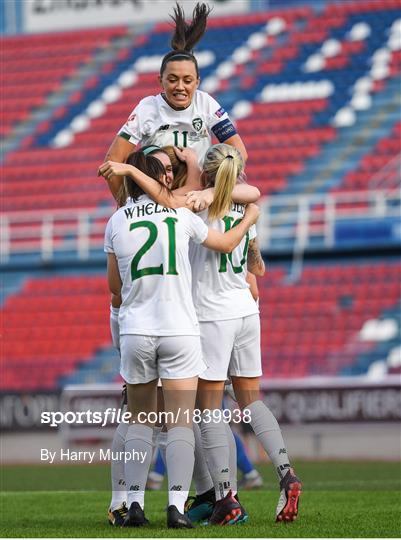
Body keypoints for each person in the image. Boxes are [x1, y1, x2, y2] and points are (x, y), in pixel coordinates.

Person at [101, 143, 302, 524]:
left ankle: (166, 500)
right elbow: (253, 271)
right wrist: (246, 213)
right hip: (230, 315)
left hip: (180, 321)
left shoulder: (163, 211)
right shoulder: (219, 210)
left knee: (167, 415)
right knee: (230, 408)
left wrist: (134, 173)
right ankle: (276, 475)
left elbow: (116, 285)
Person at [101, 2, 248, 203]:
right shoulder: (147, 108)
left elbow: (239, 153)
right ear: (160, 80)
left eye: (187, 81)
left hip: (198, 200)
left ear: (197, 82)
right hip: (159, 203)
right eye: (172, 79)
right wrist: (127, 204)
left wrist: (213, 189)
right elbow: (113, 160)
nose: (180, 86)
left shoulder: (205, 103)